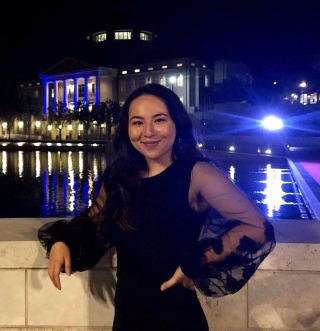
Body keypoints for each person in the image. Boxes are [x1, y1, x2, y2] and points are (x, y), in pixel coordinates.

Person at [38, 83, 275, 331]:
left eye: (159, 120)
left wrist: (196, 262)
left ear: (176, 124)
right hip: (128, 316)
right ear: (127, 128)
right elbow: (93, 223)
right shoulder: (119, 176)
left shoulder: (197, 174)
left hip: (177, 317)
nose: (148, 132)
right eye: (137, 122)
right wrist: (61, 241)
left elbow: (258, 227)